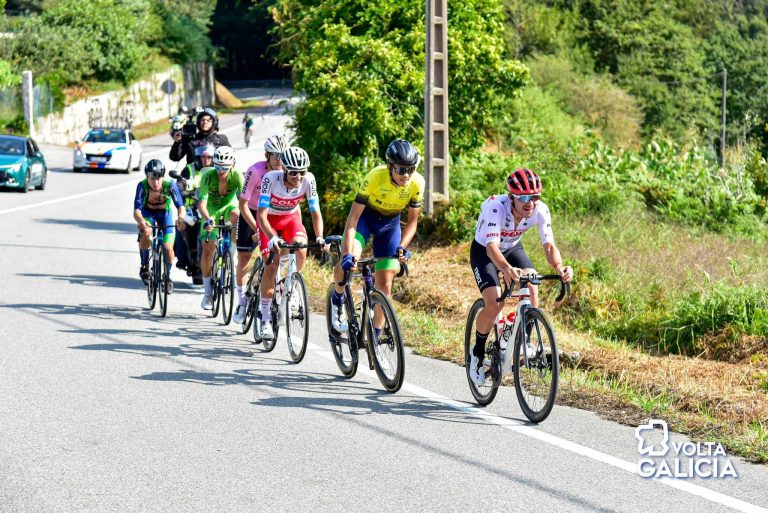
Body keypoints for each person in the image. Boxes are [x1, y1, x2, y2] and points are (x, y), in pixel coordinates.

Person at [468, 167, 573, 386]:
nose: (530, 203)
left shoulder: (540, 210)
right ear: (511, 197)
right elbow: (492, 249)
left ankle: (520, 338)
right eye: (524, 197)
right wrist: (507, 270)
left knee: (532, 283)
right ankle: (477, 354)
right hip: (485, 251)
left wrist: (559, 267)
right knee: (495, 302)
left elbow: (549, 245)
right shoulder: (496, 208)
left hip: (513, 248)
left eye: (534, 197)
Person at [330, 139, 424, 336]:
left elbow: (413, 222)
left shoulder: (417, 182)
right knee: (350, 260)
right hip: (365, 219)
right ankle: (337, 299)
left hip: (390, 225)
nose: (406, 175)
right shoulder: (375, 177)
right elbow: (353, 218)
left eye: (410, 169)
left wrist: (402, 246)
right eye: (400, 169)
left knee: (386, 282)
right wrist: (347, 252)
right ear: (390, 167)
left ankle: (375, 333)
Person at [256, 146, 326, 340]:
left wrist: (319, 236)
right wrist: (272, 237)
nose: (298, 177)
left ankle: (293, 285)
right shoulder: (271, 178)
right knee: (271, 266)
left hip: (290, 219)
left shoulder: (308, 180)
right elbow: (261, 215)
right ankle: (265, 319)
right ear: (285, 169)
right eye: (293, 172)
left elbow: (315, 212)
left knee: (301, 247)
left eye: (302, 172)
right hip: (268, 221)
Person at [232, 135, 289, 325]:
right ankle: (241, 301)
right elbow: (243, 204)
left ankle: (270, 292)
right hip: (252, 212)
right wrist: (255, 227)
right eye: (276, 156)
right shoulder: (255, 171)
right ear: (267, 155)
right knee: (244, 258)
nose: (280, 161)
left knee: (276, 257)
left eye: (283, 156)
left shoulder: (288, 171)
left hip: (274, 214)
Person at [198, 146, 244, 310]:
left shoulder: (237, 175)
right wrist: (208, 218)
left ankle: (233, 251)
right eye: (217, 166)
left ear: (232, 165)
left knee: (238, 217)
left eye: (224, 167)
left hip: (229, 206)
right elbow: (201, 203)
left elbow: (245, 199)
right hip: (210, 210)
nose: (220, 171)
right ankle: (208, 293)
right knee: (208, 248)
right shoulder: (208, 176)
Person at [133, 159, 186, 292]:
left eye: (158, 179)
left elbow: (181, 207)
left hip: (165, 214)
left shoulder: (170, 185)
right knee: (146, 231)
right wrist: (141, 221)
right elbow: (136, 211)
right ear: (147, 177)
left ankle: (167, 276)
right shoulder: (142, 186)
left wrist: (180, 218)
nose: (155, 183)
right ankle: (144, 265)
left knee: (168, 249)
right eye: (152, 179)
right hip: (148, 214)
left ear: (163, 177)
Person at [173, 144, 214, 284]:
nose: (206, 160)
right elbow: (179, 183)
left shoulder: (217, 169)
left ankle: (220, 263)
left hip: (210, 207)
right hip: (190, 206)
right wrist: (182, 186)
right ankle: (183, 258)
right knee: (180, 224)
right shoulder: (189, 169)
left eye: (209, 157)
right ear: (198, 157)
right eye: (203, 157)